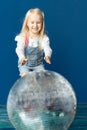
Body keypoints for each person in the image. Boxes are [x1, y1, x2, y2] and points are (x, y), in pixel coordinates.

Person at [15, 8, 52, 77]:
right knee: (26, 78)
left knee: (41, 78)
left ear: (42, 24)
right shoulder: (23, 37)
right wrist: (22, 57)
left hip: (38, 65)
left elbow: (47, 48)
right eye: (32, 22)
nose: (35, 25)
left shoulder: (43, 38)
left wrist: (47, 55)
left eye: (38, 22)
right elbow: (19, 49)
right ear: (27, 24)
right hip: (25, 64)